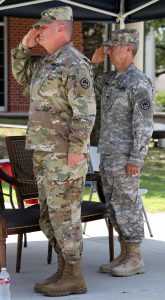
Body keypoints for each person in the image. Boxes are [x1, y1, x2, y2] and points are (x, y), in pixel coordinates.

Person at [11, 6, 96, 296]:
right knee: (48, 215)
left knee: (65, 215)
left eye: (43, 27)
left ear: (61, 28)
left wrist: (76, 149)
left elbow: (86, 112)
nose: (38, 32)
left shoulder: (74, 63)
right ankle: (63, 269)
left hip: (64, 155)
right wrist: (24, 45)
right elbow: (20, 75)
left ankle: (74, 275)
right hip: (45, 153)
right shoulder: (47, 63)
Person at [92, 29, 154, 277]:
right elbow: (85, 83)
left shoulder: (138, 82)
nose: (109, 51)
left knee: (127, 204)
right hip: (107, 154)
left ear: (128, 49)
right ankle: (124, 254)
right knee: (112, 205)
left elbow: (143, 124)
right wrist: (93, 62)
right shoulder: (109, 79)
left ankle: (135, 257)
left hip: (126, 157)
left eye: (113, 46)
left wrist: (136, 159)